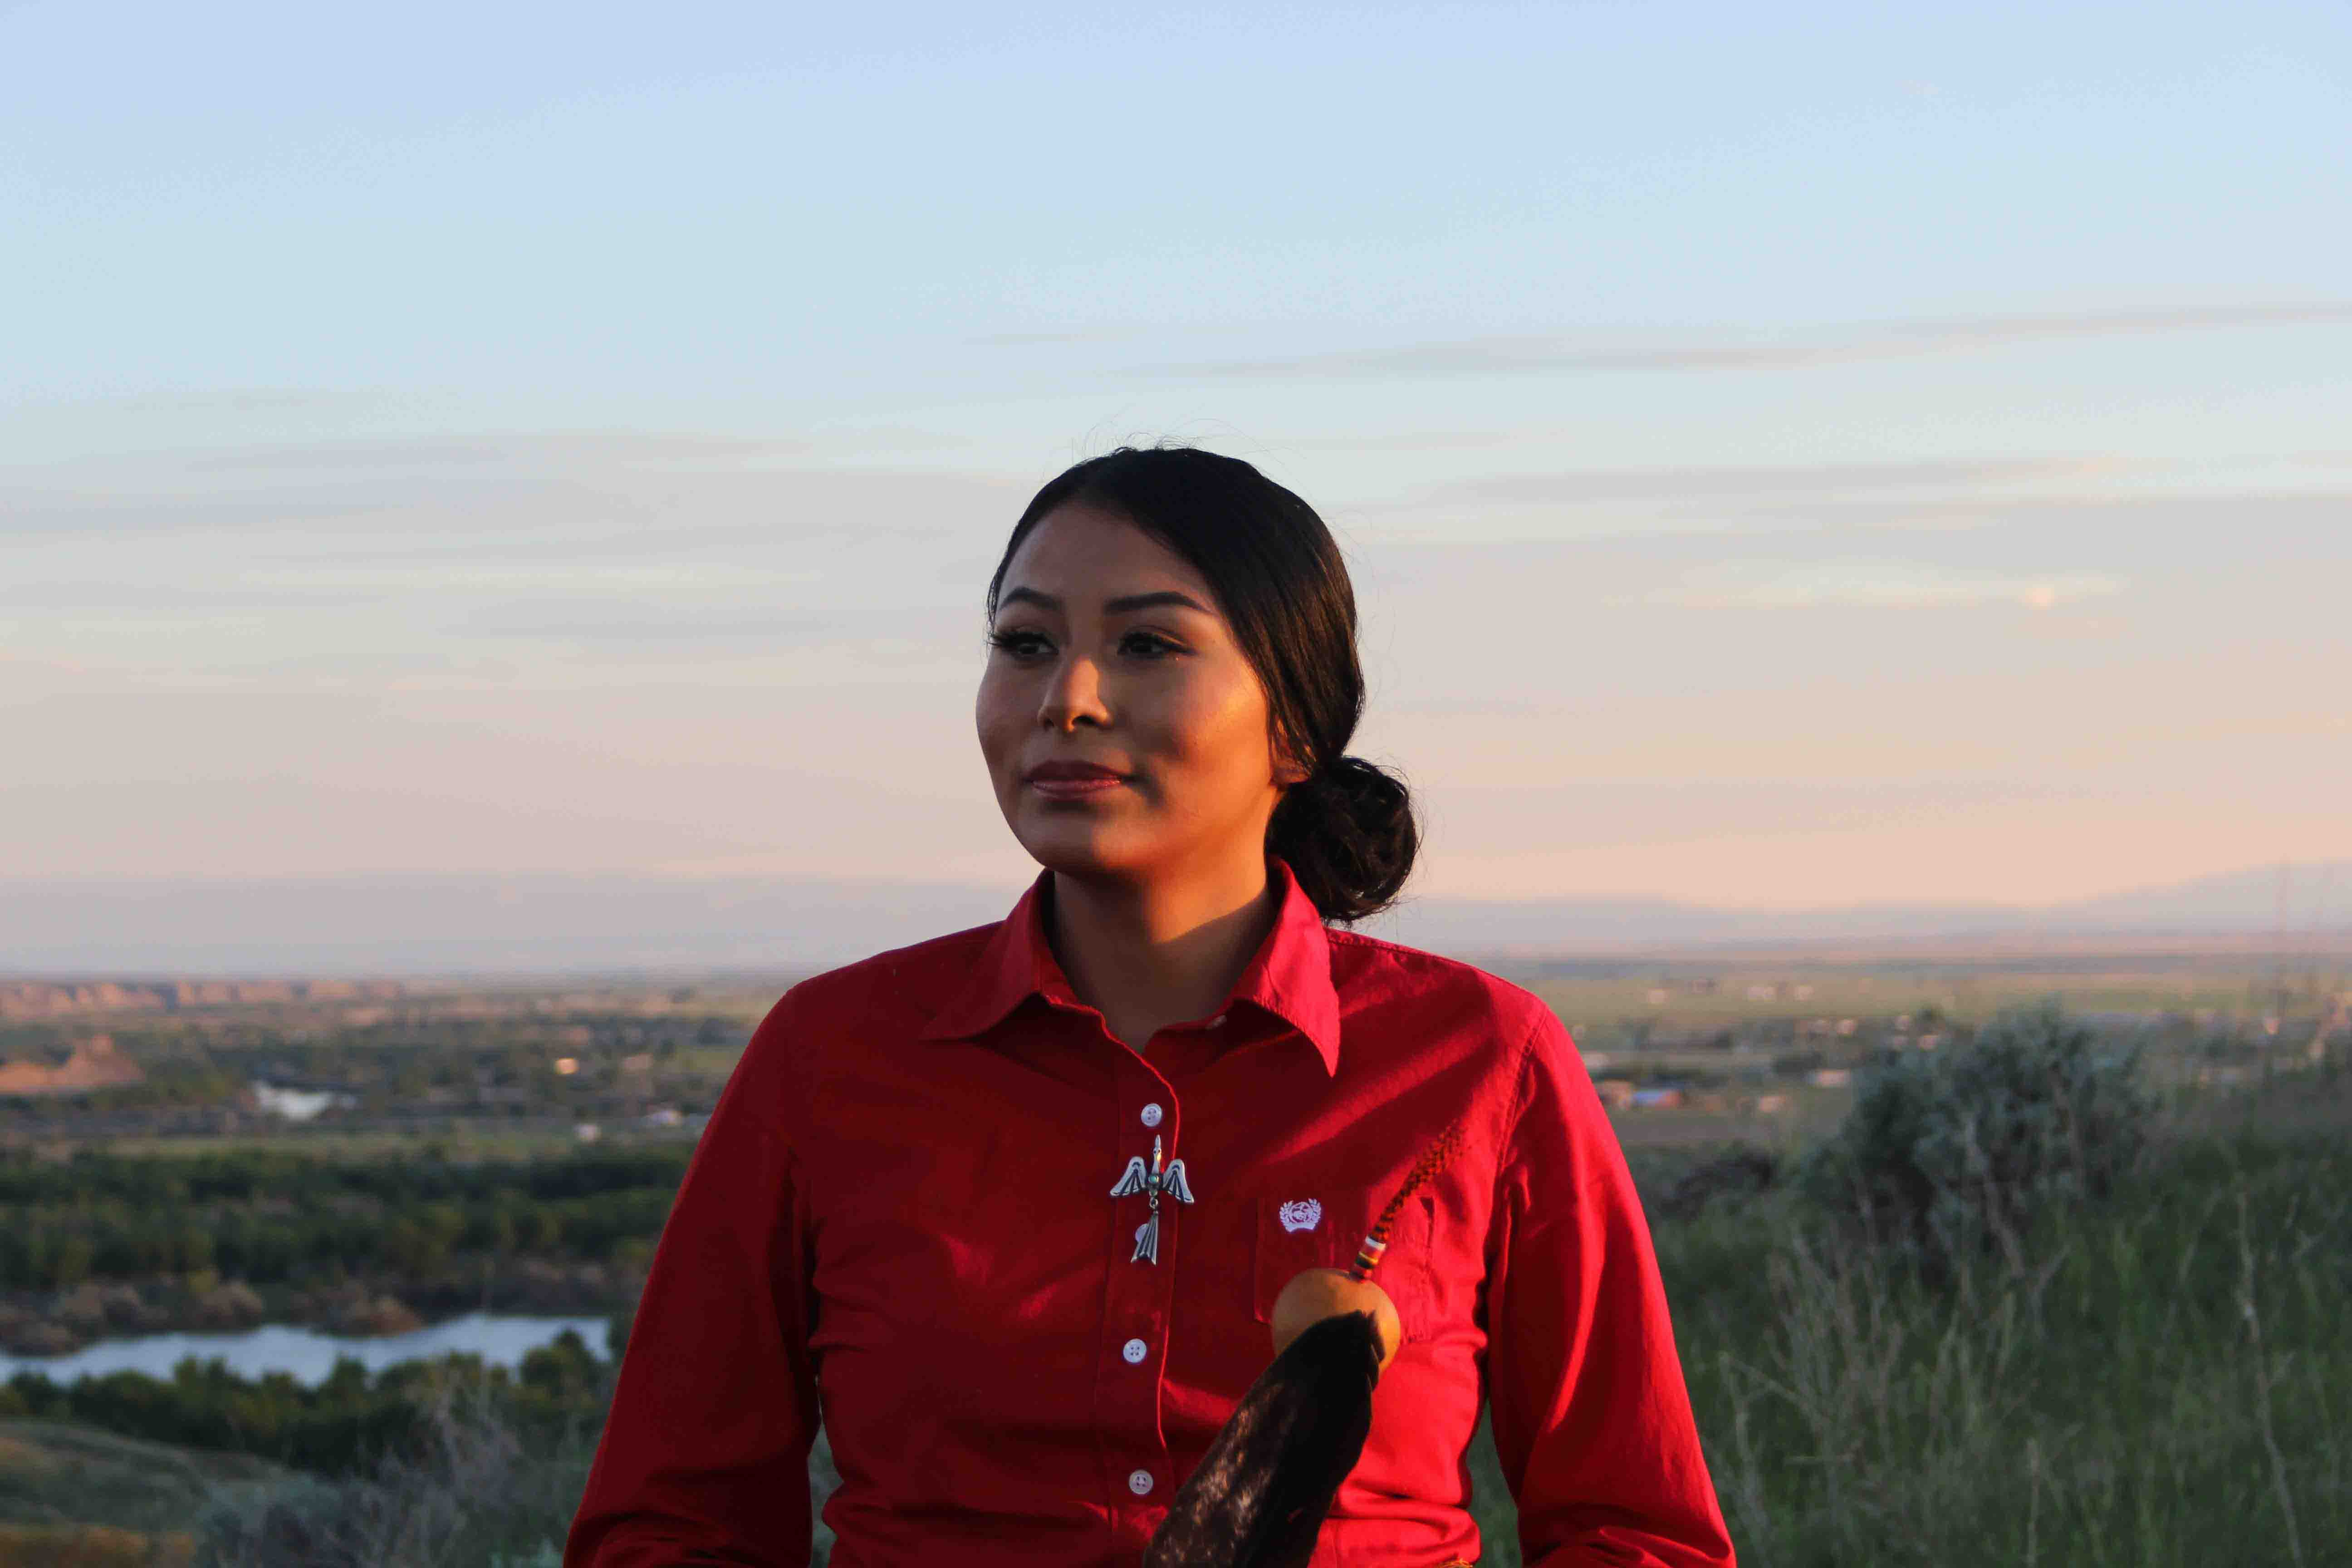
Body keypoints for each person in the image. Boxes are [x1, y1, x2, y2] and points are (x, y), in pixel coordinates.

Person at [563, 445, 1736, 1568]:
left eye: (1147, 645)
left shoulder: (1481, 1064)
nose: (1066, 696)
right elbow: (667, 1529)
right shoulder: (831, 1060)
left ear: (1294, 727)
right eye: (1025, 643)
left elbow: (1638, 1533)